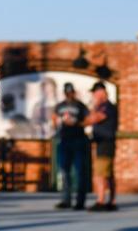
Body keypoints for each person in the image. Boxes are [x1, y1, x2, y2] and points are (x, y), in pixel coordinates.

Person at [51, 82, 90, 210]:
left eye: (71, 92)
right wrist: (57, 126)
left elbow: (88, 120)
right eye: (67, 92)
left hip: (78, 140)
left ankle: (80, 201)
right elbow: (54, 117)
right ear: (65, 93)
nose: (69, 94)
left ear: (74, 92)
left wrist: (77, 122)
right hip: (64, 140)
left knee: (80, 171)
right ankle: (66, 200)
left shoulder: (80, 105)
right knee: (64, 171)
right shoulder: (60, 106)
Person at [84, 81, 118, 211]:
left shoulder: (106, 106)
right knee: (108, 173)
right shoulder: (105, 106)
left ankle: (101, 201)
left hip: (105, 143)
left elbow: (94, 119)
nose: (93, 95)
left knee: (100, 173)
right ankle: (111, 201)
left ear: (101, 92)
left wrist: (79, 122)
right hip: (103, 142)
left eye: (94, 92)